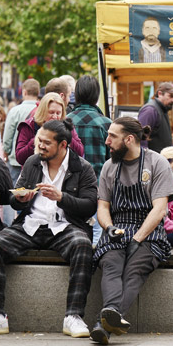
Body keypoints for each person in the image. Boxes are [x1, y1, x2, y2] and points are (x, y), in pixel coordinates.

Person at [0, 119, 97, 338]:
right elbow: (14, 199)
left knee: (83, 246)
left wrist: (62, 197)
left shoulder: (82, 168)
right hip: (31, 225)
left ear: (63, 145)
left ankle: (73, 316)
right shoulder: (32, 162)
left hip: (64, 227)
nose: (41, 146)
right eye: (39, 141)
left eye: (47, 143)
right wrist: (20, 198)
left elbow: (90, 205)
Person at [90, 118, 173, 345]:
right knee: (110, 264)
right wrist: (108, 228)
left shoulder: (157, 163)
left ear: (129, 139)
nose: (107, 141)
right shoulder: (110, 167)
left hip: (148, 230)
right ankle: (110, 314)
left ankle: (105, 324)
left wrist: (138, 238)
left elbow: (160, 209)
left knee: (135, 268)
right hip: (117, 226)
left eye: (112, 136)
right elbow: (102, 207)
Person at [68, 75, 114, 244]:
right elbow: (113, 162)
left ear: (77, 94)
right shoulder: (107, 124)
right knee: (97, 234)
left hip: (69, 188)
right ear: (97, 96)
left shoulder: (65, 122)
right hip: (99, 188)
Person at [15, 92, 84, 166]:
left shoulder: (66, 125)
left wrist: (66, 136)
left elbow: (80, 152)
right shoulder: (29, 125)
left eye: (58, 113)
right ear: (43, 111)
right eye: (51, 112)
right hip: (35, 173)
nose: (55, 117)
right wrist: (39, 138)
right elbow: (20, 158)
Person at [3, 78, 41, 183]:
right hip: (36, 158)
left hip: (16, 160)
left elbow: (8, 136)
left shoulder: (15, 111)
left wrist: (6, 151)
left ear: (24, 92)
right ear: (38, 93)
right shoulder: (41, 110)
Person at [137, 82, 173, 153]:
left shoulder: (163, 109)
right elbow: (141, 139)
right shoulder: (150, 111)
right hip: (153, 161)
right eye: (170, 96)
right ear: (160, 94)